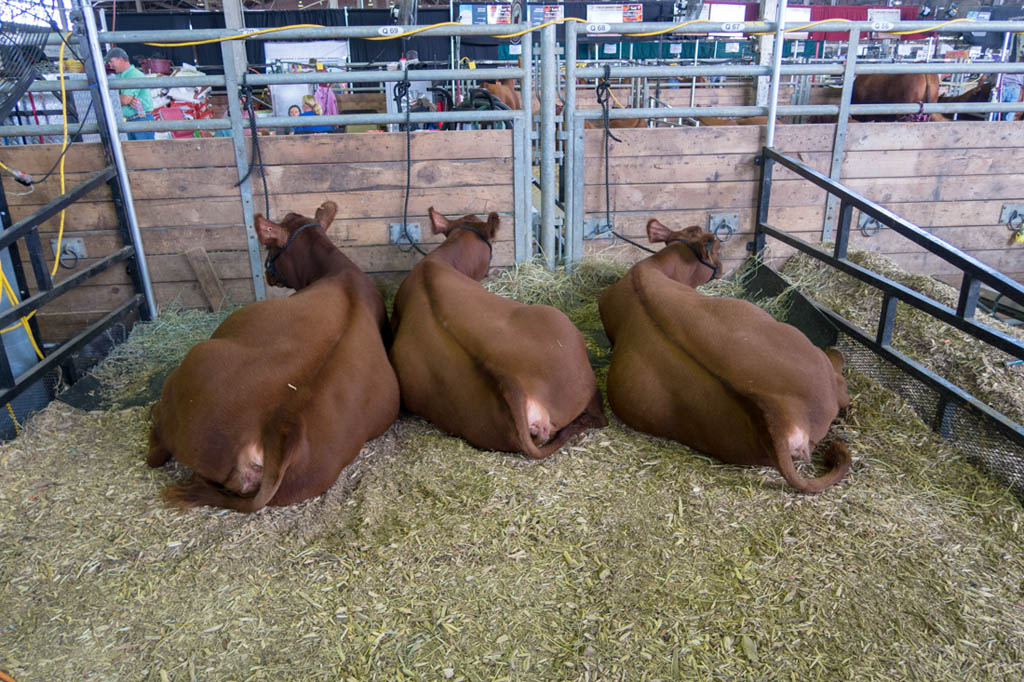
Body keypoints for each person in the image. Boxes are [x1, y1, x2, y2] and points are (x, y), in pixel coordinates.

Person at [104, 47, 155, 141]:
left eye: (111, 61)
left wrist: (107, 96)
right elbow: (123, 98)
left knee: (144, 152)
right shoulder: (120, 76)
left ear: (120, 59)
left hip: (141, 121)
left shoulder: (134, 75)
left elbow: (125, 100)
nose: (110, 65)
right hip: (132, 120)